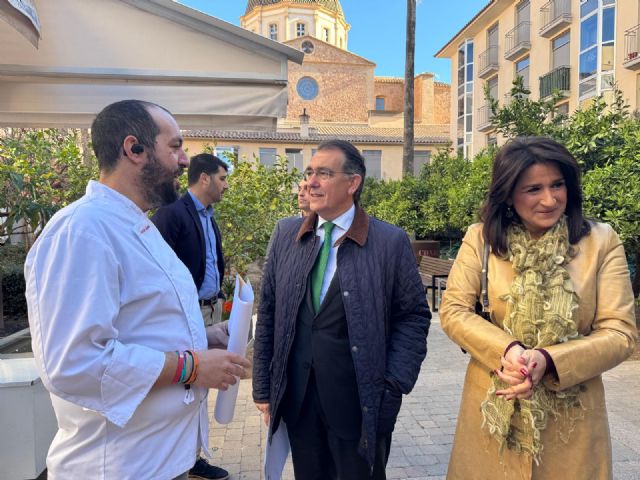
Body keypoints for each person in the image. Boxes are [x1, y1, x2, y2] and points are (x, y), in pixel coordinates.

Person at [24, 100, 251, 480]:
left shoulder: (135, 226)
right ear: (134, 149)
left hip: (159, 461)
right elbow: (72, 363)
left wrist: (204, 336)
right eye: (175, 147)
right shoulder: (82, 231)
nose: (184, 160)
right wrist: (193, 366)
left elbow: (142, 324)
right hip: (118, 467)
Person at [440, 136, 638, 479]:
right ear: (508, 195)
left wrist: (549, 361)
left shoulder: (601, 241)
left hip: (573, 424)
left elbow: (620, 333)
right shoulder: (481, 239)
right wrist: (508, 351)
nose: (550, 199)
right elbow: (454, 311)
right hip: (493, 409)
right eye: (533, 189)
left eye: (557, 185)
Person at [253, 139, 430, 479]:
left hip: (361, 403)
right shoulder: (287, 234)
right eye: (309, 173)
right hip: (299, 401)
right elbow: (269, 313)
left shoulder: (389, 242)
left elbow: (413, 316)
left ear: (353, 183)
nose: (310, 182)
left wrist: (393, 385)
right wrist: (263, 386)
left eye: (323, 173)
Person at [151, 153, 231, 480]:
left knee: (200, 389)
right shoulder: (171, 214)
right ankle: (183, 459)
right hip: (185, 313)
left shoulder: (208, 216)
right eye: (222, 178)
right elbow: (157, 269)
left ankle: (192, 457)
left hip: (210, 309)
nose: (226, 185)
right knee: (186, 386)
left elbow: (210, 261)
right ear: (204, 178)